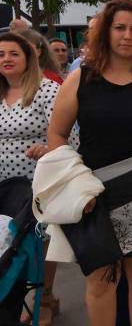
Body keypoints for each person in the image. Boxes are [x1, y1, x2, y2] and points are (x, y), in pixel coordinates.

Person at [46, 0, 132, 326]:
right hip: (94, 195)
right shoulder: (81, 79)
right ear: (106, 32)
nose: (127, 35)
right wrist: (75, 187)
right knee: (101, 278)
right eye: (120, 27)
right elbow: (57, 135)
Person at [0, 32, 68, 324]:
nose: (6, 59)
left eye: (13, 53)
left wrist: (48, 148)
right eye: (1, 54)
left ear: (29, 57)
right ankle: (12, 296)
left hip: (38, 183)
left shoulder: (47, 90)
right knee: (9, 244)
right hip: (4, 186)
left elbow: (68, 134)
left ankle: (45, 296)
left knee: (39, 243)